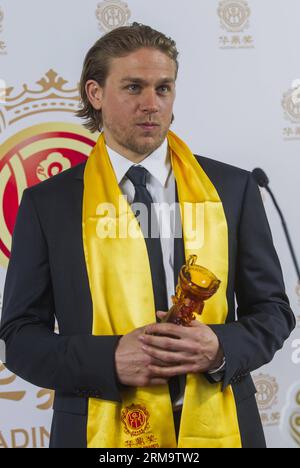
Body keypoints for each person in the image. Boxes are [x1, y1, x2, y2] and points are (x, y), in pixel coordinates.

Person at [0, 23, 295, 449]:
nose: (151, 105)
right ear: (95, 94)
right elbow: (21, 337)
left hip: (224, 426)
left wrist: (219, 348)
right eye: (134, 87)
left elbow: (273, 312)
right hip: (96, 430)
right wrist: (109, 360)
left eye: (163, 88)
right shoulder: (48, 204)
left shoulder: (233, 189)